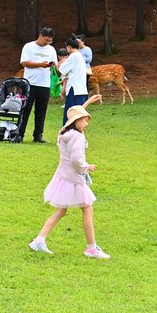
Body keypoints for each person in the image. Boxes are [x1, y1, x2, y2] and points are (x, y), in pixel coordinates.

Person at [28, 96, 108, 258]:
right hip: (74, 178)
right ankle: (91, 248)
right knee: (87, 208)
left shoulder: (64, 132)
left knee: (62, 210)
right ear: (77, 121)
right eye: (85, 121)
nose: (86, 124)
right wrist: (88, 167)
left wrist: (88, 103)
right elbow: (76, 161)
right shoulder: (77, 137)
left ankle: (39, 240)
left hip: (63, 176)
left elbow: (74, 115)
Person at [18, 27, 58, 143]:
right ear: (40, 36)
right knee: (25, 110)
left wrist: (53, 65)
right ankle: (20, 134)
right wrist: (41, 64)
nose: (47, 43)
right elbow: (24, 63)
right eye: (46, 40)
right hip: (30, 83)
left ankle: (38, 135)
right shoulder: (29, 46)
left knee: (41, 111)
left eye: (50, 41)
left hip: (44, 84)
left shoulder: (51, 49)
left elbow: (54, 64)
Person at [58, 36, 89, 126]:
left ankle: (67, 134)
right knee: (80, 114)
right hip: (81, 89)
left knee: (70, 114)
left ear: (69, 47)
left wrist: (61, 63)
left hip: (74, 89)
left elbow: (62, 70)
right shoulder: (80, 56)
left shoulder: (73, 57)